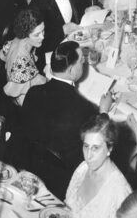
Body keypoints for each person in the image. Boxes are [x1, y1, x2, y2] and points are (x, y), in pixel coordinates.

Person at [14, 41, 113, 199]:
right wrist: (103, 111)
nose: (84, 63)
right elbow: (100, 138)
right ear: (71, 70)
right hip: (66, 180)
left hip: (32, 166)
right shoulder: (84, 108)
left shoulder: (34, 92)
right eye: (82, 61)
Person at [65, 114, 133, 218]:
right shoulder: (82, 169)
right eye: (86, 146)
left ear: (109, 149)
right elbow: (66, 209)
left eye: (96, 148)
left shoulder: (120, 192)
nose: (88, 156)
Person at [0, 7, 47, 104]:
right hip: (24, 100)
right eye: (37, 34)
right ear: (26, 35)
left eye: (43, 31)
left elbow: (2, 55)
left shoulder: (18, 40)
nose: (42, 37)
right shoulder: (22, 63)